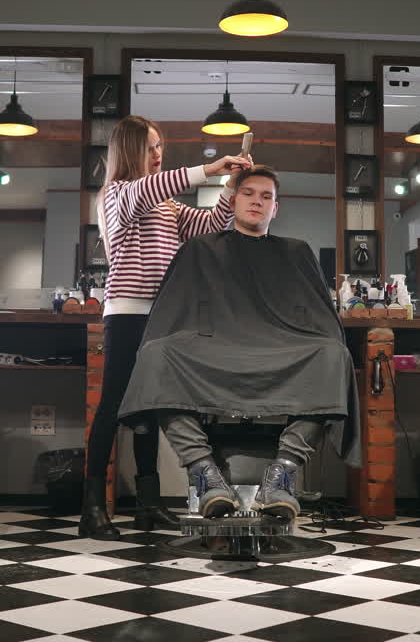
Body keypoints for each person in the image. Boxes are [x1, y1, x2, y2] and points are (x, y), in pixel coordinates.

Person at [117, 165, 359, 521]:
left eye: (266, 197)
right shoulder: (200, 248)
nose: (256, 202)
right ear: (232, 201)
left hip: (281, 349)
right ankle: (205, 474)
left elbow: (318, 319)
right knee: (157, 355)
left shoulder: (296, 251)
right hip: (213, 350)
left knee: (333, 354)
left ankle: (284, 474)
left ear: (275, 208)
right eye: (248, 193)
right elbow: (175, 312)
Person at [80, 115, 252, 540]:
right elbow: (146, 190)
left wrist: (229, 189)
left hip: (163, 316)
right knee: (113, 407)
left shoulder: (167, 206)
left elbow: (210, 226)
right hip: (126, 313)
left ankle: (149, 503)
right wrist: (209, 169)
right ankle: (91, 508)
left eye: (161, 147)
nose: (158, 154)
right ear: (131, 150)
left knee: (150, 407)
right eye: (151, 147)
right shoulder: (117, 195)